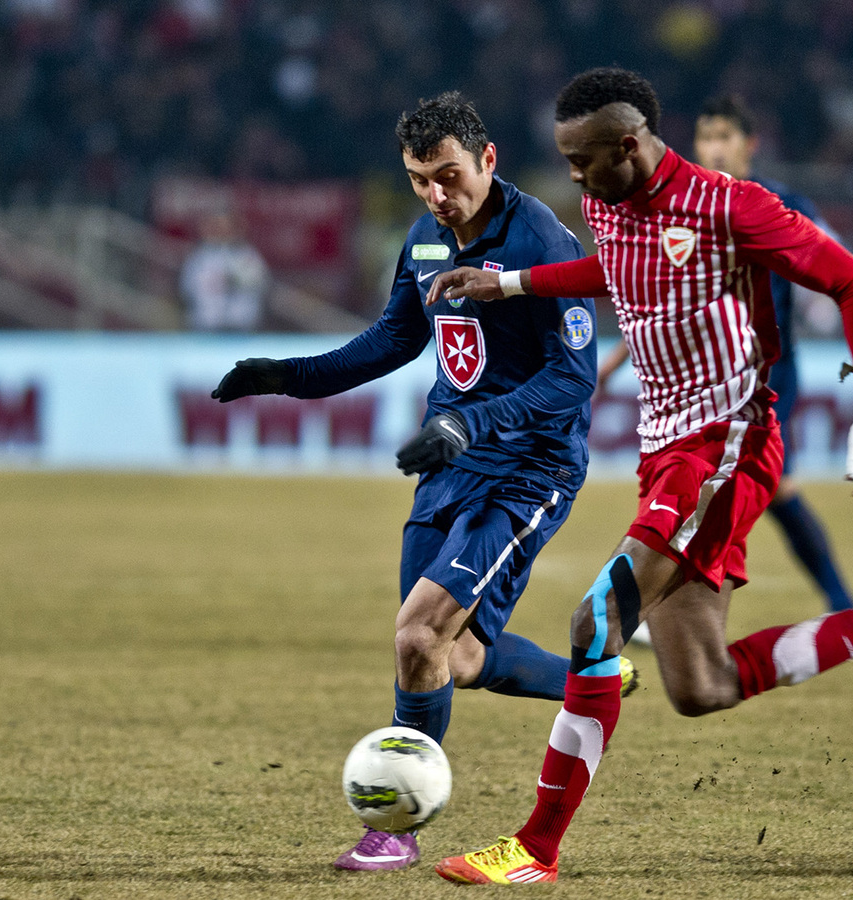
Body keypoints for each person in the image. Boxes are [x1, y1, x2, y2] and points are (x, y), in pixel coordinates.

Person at [425, 68, 853, 885]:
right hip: (665, 453)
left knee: (596, 620)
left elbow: (851, 279)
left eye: (583, 160)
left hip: (725, 444)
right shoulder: (608, 199)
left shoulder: (729, 207)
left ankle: (535, 848)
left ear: (629, 146)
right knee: (701, 685)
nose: (574, 176)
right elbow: (621, 272)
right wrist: (508, 284)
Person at [209, 92, 635, 872]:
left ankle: (395, 829)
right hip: (451, 463)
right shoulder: (425, 239)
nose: (437, 195)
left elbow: (572, 380)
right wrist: (287, 376)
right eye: (419, 179)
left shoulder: (540, 239)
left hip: (529, 467)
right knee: (449, 659)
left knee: (417, 635)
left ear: (488, 159)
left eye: (448, 175)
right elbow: (393, 339)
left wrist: (474, 422)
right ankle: (595, 675)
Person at [597, 94, 853, 621]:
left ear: (749, 144)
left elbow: (848, 272)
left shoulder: (779, 202)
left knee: (746, 486)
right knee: (728, 488)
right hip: (700, 377)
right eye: (705, 137)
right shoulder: (686, 204)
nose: (713, 148)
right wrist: (617, 360)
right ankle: (831, 602)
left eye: (724, 137)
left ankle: (672, 608)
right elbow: (665, 298)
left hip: (767, 376)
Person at [180, 212, 271, 331]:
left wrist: (235, 280)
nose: (222, 231)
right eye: (217, 227)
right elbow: (186, 289)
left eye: (226, 227)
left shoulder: (247, 255)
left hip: (242, 326)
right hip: (206, 326)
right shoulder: (199, 258)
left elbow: (261, 284)